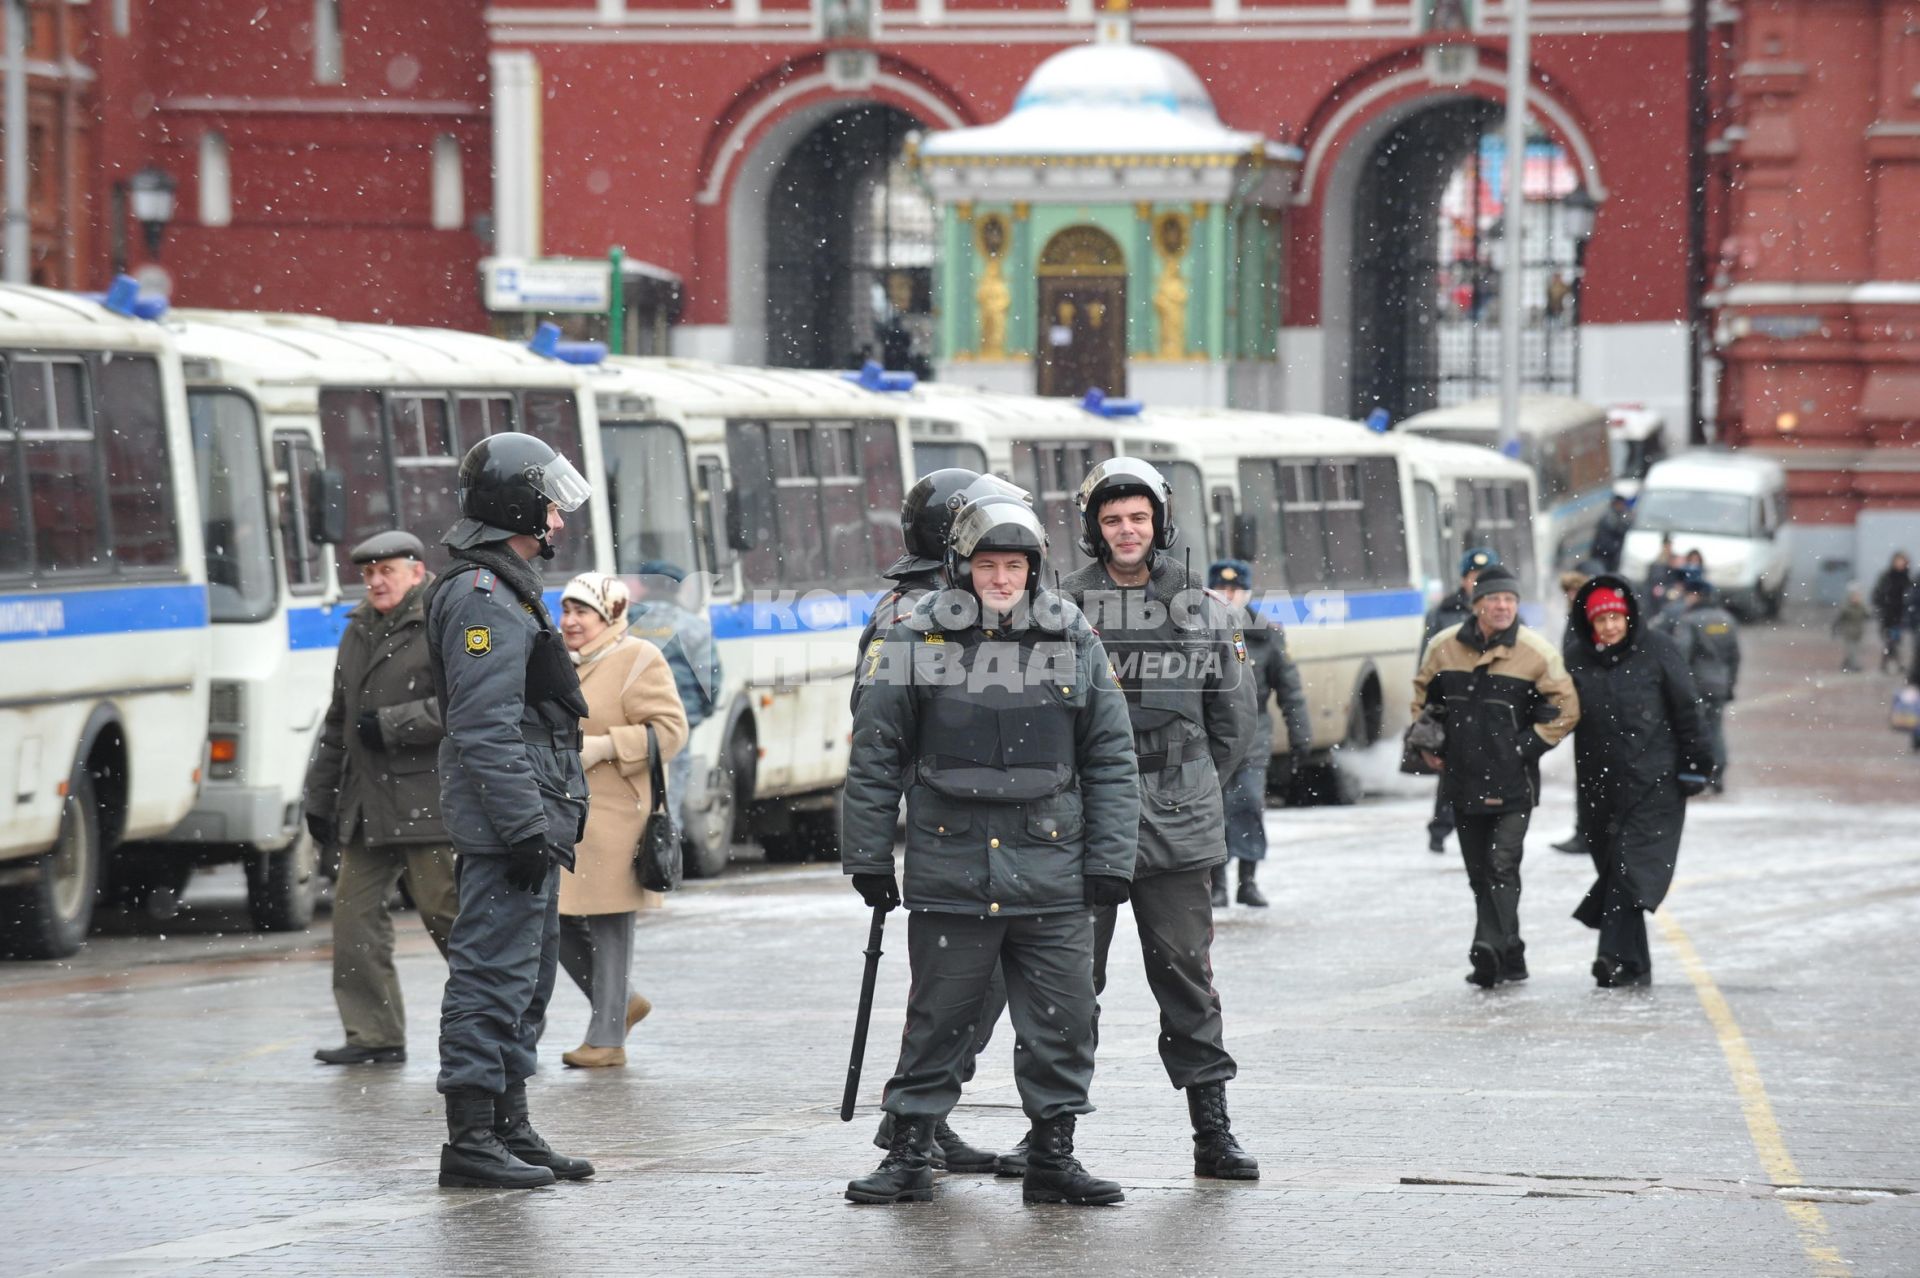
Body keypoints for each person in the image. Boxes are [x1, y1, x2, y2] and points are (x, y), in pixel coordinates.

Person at [840, 487, 1139, 1207]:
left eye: (1013, 565)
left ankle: (1053, 1154)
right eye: (986, 565)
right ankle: (910, 1151)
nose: (1000, 579)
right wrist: (869, 858)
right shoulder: (912, 639)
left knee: (1065, 1022)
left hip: (1055, 871)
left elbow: (1110, 758)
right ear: (960, 567)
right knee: (939, 1019)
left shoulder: (1075, 638)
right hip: (952, 867)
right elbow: (876, 755)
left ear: (1034, 568)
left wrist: (1110, 860)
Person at [1060, 458, 1263, 1180]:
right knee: (1067, 981)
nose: (1126, 530)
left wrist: (1189, 783)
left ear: (1159, 522)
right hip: (1084, 824)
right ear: (1094, 527)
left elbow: (1234, 725)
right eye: (1112, 519)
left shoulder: (1206, 609)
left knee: (1183, 973)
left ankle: (1213, 1132)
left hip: (1179, 819)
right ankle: (1051, 1137)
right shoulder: (1057, 608)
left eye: (1138, 518)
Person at [425, 431, 597, 1190]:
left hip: (530, 819)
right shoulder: (483, 595)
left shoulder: (504, 584)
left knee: (527, 981)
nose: (558, 522)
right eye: (549, 507)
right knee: (491, 979)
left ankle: (508, 1125)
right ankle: (471, 1139)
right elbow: (485, 726)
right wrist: (526, 826)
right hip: (512, 826)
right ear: (516, 506)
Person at [854, 468, 1020, 1175]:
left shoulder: (954, 600)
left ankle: (930, 1113)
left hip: (988, 824)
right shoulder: (912, 615)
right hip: (947, 826)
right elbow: (878, 728)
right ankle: (910, 1123)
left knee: (978, 990)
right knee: (957, 990)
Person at [304, 530, 459, 1066]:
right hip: (366, 804)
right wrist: (319, 798)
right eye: (367, 573)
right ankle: (374, 1035)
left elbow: (464, 705)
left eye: (386, 571)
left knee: (450, 921)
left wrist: (395, 724)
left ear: (417, 572)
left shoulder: (443, 618)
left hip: (426, 802)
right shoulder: (358, 629)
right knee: (353, 923)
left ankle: (501, 1027)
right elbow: (337, 722)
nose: (374, 582)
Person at [1411, 563, 1579, 989]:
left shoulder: (1536, 652)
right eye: (1494, 599)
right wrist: (1429, 744)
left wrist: (1525, 747)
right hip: (1463, 780)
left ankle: (1486, 947)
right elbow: (1423, 698)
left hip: (1513, 783)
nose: (1503, 606)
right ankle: (1513, 952)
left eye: (1510, 599)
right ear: (1477, 604)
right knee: (1478, 872)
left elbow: (1567, 708)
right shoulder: (1444, 647)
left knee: (1501, 864)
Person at [554, 571, 689, 1068]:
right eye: (566, 611)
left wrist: (607, 747)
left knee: (610, 924)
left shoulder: (638, 658)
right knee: (555, 916)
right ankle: (622, 1002)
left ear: (610, 614)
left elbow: (671, 732)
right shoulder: (560, 661)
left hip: (618, 812)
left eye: (581, 612)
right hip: (568, 810)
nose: (569, 622)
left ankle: (607, 1039)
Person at [1564, 577, 1712, 987]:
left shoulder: (1658, 650)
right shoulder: (1575, 658)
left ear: (1628, 616)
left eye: (1616, 617)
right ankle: (1635, 966)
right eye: (1601, 620)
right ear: (1589, 624)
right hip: (1599, 786)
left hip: (1655, 783)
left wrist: (1698, 764)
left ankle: (1610, 956)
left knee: (1630, 869)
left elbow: (1688, 709)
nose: (1610, 627)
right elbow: (1555, 709)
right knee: (1615, 871)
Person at [1206, 557, 1310, 909]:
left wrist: (1301, 737)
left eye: (1235, 589)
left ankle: (1247, 880)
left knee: (1248, 804)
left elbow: (1290, 689)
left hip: (1252, 736)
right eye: (1221, 588)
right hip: (1210, 739)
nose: (1228, 595)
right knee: (1213, 811)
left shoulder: (1266, 634)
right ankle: (1216, 882)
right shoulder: (1196, 629)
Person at [627, 560, 720, 831]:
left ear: (644, 585)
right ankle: (664, 855)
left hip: (629, 724)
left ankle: (634, 858)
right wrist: (696, 714)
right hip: (677, 723)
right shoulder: (694, 626)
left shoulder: (623, 622)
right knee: (670, 797)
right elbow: (709, 679)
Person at [1423, 548, 1499, 854]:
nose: (1478, 584)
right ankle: (1440, 829)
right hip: (1456, 702)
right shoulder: (1444, 612)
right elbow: (1427, 662)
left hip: (1492, 704)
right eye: (1473, 578)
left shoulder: (1503, 612)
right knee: (1452, 771)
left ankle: (1488, 830)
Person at [1671, 575, 1740, 793]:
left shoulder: (1689, 620)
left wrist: (1680, 686)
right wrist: (1729, 683)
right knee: (1716, 728)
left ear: (1696, 595)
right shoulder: (1726, 620)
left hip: (1697, 685)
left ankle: (1703, 770)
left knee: (1698, 731)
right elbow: (1734, 656)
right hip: (1719, 683)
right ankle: (1718, 770)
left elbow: (1682, 654)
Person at [1551, 568, 1595, 856]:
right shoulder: (1574, 620)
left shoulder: (1588, 621)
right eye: (1567, 592)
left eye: (1575, 590)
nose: (1571, 596)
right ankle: (1585, 831)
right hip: (1580, 703)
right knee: (1587, 774)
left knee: (1593, 774)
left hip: (1589, 704)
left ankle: (1587, 832)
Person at [1872, 552, 1911, 673]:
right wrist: (1882, 608)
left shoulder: (1907, 578)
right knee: (1891, 640)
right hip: (1888, 615)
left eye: (1902, 561)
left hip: (1901, 616)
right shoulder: (1886, 577)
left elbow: (1910, 596)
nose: (1900, 563)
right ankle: (1893, 665)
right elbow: (1877, 594)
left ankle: (1887, 664)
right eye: (1898, 560)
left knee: (1894, 641)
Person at [1589, 495, 1632, 573]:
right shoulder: (1610, 517)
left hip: (1607, 552)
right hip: (1605, 553)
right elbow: (1616, 531)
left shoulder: (1616, 515)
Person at [1833, 584, 1869, 673]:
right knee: (1851, 650)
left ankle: (1846, 664)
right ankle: (1854, 666)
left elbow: (1868, 616)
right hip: (1848, 632)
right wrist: (1835, 629)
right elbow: (1839, 619)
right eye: (1854, 597)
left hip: (1858, 632)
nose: (1856, 598)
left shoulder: (1861, 607)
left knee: (1855, 650)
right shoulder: (1846, 608)